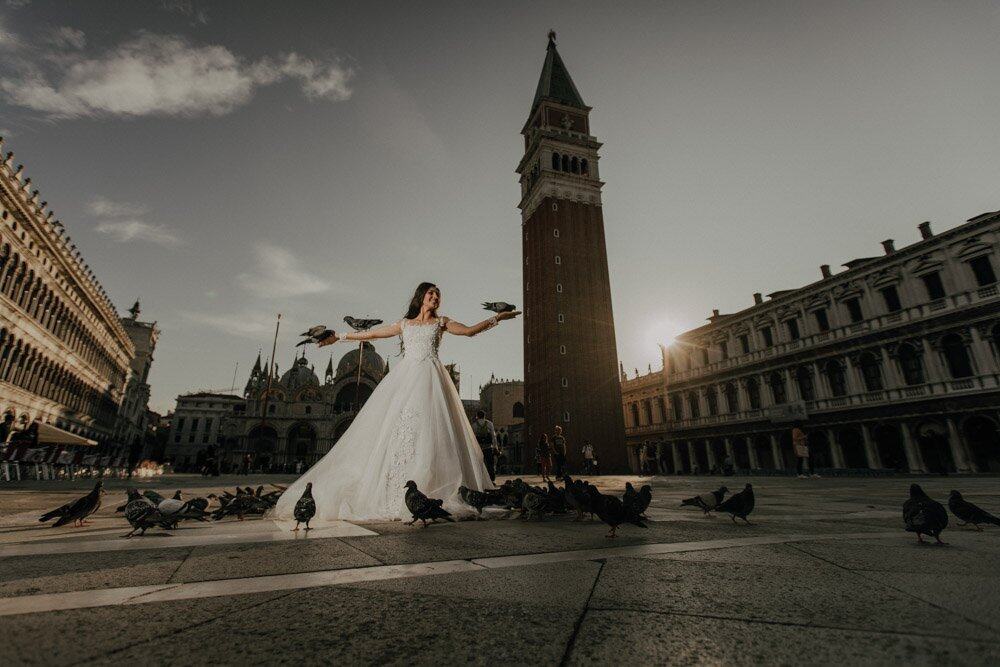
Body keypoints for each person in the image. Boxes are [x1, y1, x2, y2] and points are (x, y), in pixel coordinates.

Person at [274, 282, 519, 522]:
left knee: (429, 433)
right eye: (432, 293)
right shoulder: (405, 324)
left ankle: (431, 489)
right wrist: (339, 336)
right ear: (421, 296)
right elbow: (372, 334)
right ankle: (395, 491)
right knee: (398, 431)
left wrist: (497, 318)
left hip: (432, 378)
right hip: (406, 379)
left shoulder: (442, 322)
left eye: (438, 295)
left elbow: (468, 331)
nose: (436, 297)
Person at [471, 410, 499, 482]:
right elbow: (493, 436)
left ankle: (479, 479)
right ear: (484, 416)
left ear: (477, 416)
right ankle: (491, 480)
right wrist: (495, 447)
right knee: (490, 464)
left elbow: (472, 437)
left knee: (478, 464)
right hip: (488, 447)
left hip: (478, 448)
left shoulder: (474, 425)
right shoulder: (489, 423)